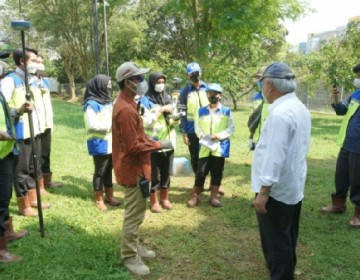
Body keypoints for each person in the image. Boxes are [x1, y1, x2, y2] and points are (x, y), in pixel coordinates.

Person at [251, 62, 311, 280]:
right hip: (291, 185)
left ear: (269, 85)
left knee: (276, 240)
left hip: (275, 190)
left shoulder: (279, 115)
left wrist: (263, 192)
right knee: (287, 235)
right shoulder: (299, 107)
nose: (261, 87)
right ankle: (285, 272)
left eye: (261, 83)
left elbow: (274, 156)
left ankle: (282, 275)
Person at [112, 62, 173, 275]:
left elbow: (136, 138)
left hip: (137, 167)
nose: (142, 82)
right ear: (128, 83)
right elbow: (133, 147)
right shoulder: (125, 110)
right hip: (132, 169)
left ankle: (134, 246)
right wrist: (158, 144)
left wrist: (149, 138)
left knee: (138, 212)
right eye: (138, 79)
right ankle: (129, 256)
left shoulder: (128, 104)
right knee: (133, 214)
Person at [0, 48, 50, 216]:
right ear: (22, 61)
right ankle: (23, 204)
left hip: (34, 129)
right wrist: (18, 110)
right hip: (20, 132)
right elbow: (4, 108)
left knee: (32, 165)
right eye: (34, 60)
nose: (37, 64)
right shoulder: (10, 81)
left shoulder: (32, 80)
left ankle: (32, 197)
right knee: (21, 170)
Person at [321, 63, 360, 227]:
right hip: (347, 142)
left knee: (358, 179)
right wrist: (335, 97)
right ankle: (338, 204)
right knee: (341, 175)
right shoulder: (356, 94)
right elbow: (341, 110)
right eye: (357, 76)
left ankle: (358, 213)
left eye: (359, 76)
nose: (357, 79)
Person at [0, 51, 29, 263]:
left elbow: (6, 113)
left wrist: (18, 111)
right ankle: (1, 251)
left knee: (4, 197)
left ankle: (7, 232)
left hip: (6, 150)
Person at [187, 83, 235, 208]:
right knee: (201, 171)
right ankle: (195, 196)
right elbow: (197, 126)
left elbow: (231, 128)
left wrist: (219, 135)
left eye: (215, 93)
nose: (212, 96)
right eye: (209, 93)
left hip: (219, 146)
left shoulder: (226, 111)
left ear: (220, 96)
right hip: (204, 145)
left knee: (217, 171)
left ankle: (214, 197)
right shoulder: (201, 111)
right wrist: (202, 136)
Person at [140, 72, 177, 213]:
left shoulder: (168, 98)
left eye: (163, 81)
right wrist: (161, 110)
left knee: (166, 173)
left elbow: (173, 122)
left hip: (168, 142)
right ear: (152, 83)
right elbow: (145, 121)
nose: (161, 84)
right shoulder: (145, 100)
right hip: (153, 144)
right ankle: (154, 201)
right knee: (154, 174)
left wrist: (175, 118)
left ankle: (165, 198)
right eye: (158, 82)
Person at [83, 74, 120, 211]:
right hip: (99, 143)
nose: (109, 86)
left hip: (110, 142)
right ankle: (99, 198)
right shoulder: (91, 105)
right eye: (107, 83)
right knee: (100, 171)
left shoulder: (107, 101)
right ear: (99, 85)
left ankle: (110, 196)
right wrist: (111, 124)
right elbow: (93, 125)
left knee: (109, 169)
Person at [36, 55, 63, 188]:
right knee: (37, 154)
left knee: (46, 152)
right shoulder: (29, 81)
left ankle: (47, 181)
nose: (40, 65)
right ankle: (38, 184)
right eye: (37, 62)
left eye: (42, 62)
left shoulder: (45, 82)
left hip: (47, 123)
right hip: (36, 125)